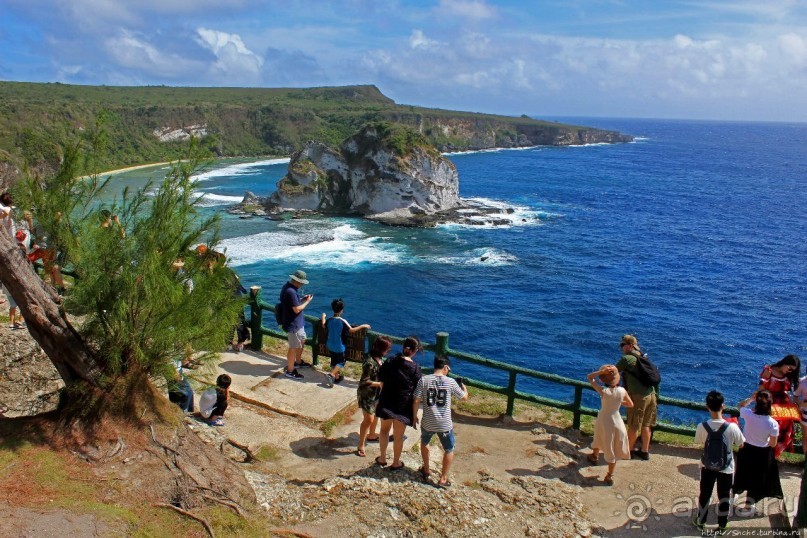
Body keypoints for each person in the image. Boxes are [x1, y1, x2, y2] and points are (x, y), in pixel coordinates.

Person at [692, 391, 745, 533]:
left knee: (705, 493)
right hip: (726, 467)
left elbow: (699, 443)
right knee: (724, 495)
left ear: (707, 407)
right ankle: (722, 525)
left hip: (707, 465)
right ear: (723, 406)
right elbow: (741, 444)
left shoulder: (701, 426)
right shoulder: (732, 427)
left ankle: (701, 521)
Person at [412, 356, 469, 487]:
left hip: (428, 421)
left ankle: (426, 470)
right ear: (446, 367)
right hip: (445, 424)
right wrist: (465, 389)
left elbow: (416, 400)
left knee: (425, 443)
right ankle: (443, 478)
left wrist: (415, 416)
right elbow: (463, 398)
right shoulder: (451, 382)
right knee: (449, 449)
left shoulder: (424, 380)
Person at [375, 336, 423, 470]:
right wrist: (414, 415)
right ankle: (396, 462)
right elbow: (416, 394)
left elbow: (381, 380)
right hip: (403, 405)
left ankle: (382, 458)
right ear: (415, 351)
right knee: (399, 436)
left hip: (387, 400)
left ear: (403, 348)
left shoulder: (390, 361)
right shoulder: (416, 368)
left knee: (384, 431)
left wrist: (384, 396)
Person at [733, 390, 783, 515]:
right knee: (756, 479)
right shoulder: (773, 423)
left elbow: (740, 406)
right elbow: (773, 443)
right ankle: (748, 506)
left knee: (741, 472)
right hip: (762, 453)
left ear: (757, 403)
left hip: (746, 449)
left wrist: (750, 398)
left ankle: (733, 494)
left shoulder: (748, 414)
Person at [586, 365, 633, 485]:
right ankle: (609, 475)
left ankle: (594, 456)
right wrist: (619, 402)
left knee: (599, 435)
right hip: (617, 420)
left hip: (604, 418)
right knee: (613, 447)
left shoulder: (604, 392)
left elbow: (590, 378)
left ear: (602, 380)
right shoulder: (622, 391)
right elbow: (630, 404)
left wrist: (600, 372)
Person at [616, 334, 657, 460]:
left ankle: (628, 451)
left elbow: (614, 371)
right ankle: (644, 451)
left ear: (629, 346)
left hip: (639, 397)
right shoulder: (642, 356)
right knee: (646, 425)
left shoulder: (627, 359)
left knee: (633, 426)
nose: (621, 347)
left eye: (622, 345)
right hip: (651, 395)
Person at [356, 336, 393, 457]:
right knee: (369, 419)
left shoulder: (379, 357)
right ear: (382, 348)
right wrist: (381, 384)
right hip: (367, 393)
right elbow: (364, 382)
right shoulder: (369, 362)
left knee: (376, 413)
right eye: (387, 348)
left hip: (376, 393)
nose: (389, 350)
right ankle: (361, 444)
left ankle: (371, 435)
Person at [321, 298, 371, 388]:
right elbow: (351, 330)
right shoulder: (342, 321)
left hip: (330, 345)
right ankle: (331, 374)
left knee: (334, 361)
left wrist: (323, 317)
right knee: (341, 362)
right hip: (339, 347)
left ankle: (336, 377)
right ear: (341, 310)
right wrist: (363, 325)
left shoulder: (329, 320)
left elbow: (323, 325)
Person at [758, 354, 800, 457]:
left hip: (784, 408)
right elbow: (761, 390)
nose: (790, 371)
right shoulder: (769, 371)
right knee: (771, 429)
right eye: (789, 368)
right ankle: (767, 453)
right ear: (785, 363)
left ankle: (774, 455)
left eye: (793, 370)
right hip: (770, 405)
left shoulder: (788, 375)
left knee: (785, 431)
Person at [279, 269, 313, 380]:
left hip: (298, 323)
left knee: (302, 341)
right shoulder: (291, 291)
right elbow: (297, 309)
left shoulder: (288, 288)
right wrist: (307, 302)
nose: (302, 284)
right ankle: (290, 370)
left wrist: (301, 299)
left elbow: (291, 303)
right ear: (298, 281)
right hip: (293, 324)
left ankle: (298, 362)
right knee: (293, 347)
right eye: (302, 282)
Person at [168, 348, 196, 413]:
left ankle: (184, 409)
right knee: (188, 392)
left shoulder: (178, 345)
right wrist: (175, 373)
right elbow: (167, 361)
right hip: (173, 371)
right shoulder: (169, 346)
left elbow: (182, 361)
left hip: (178, 369)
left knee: (178, 391)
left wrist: (187, 357)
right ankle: (182, 411)